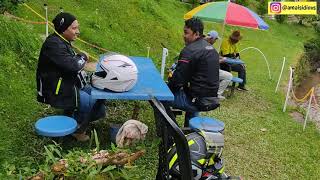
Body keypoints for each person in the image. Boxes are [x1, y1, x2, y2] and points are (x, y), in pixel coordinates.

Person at [36, 12, 106, 142]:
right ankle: (78, 129)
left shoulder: (62, 41)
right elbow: (74, 66)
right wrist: (83, 56)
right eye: (74, 28)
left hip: (69, 83)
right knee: (90, 103)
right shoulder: (53, 45)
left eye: (77, 27)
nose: (78, 31)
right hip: (56, 90)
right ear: (63, 29)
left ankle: (73, 117)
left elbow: (72, 65)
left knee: (100, 99)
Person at [167, 18, 220, 127]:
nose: (184, 36)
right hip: (211, 99)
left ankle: (172, 134)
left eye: (186, 33)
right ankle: (190, 131)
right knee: (192, 93)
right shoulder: (211, 49)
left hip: (196, 101)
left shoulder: (190, 50)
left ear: (196, 34)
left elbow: (177, 81)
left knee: (160, 98)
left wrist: (167, 87)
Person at [205, 30, 233, 100]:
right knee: (229, 76)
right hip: (208, 71)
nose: (215, 41)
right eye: (215, 39)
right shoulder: (207, 47)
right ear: (211, 38)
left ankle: (214, 91)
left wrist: (220, 57)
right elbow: (209, 62)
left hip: (207, 70)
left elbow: (213, 55)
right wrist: (221, 60)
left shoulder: (205, 45)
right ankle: (217, 94)